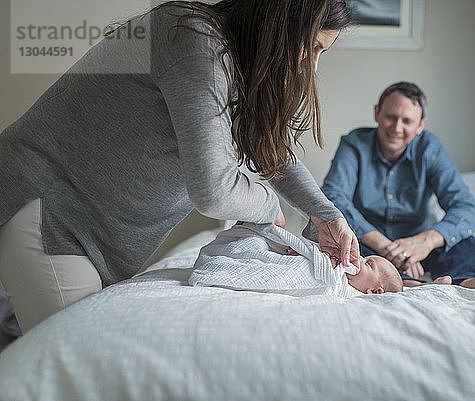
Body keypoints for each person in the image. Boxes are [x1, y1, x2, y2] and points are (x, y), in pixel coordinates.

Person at [0, 0, 360, 334]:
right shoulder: (193, 38)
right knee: (75, 369)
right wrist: (268, 206)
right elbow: (213, 189)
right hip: (51, 212)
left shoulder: (234, 65)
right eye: (312, 47)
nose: (312, 66)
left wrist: (326, 215)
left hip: (98, 238)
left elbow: (273, 151)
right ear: (281, 22)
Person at [322, 81, 475, 288]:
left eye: (407, 121)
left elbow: (467, 209)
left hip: (420, 245)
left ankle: (467, 281)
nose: (397, 128)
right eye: (390, 117)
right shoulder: (354, 144)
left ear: (420, 125)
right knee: (343, 243)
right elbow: (333, 198)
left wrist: (425, 242)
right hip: (371, 245)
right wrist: (386, 246)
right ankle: (409, 283)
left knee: (459, 237)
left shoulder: (429, 148)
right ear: (377, 113)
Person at [189, 222, 404, 297]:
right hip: (298, 261)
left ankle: (220, 265)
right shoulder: (339, 268)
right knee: (257, 246)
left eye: (368, 264)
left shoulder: (347, 291)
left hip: (308, 276)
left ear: (374, 292)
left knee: (260, 269)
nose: (360, 260)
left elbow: (325, 285)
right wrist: (307, 253)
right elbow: (308, 251)